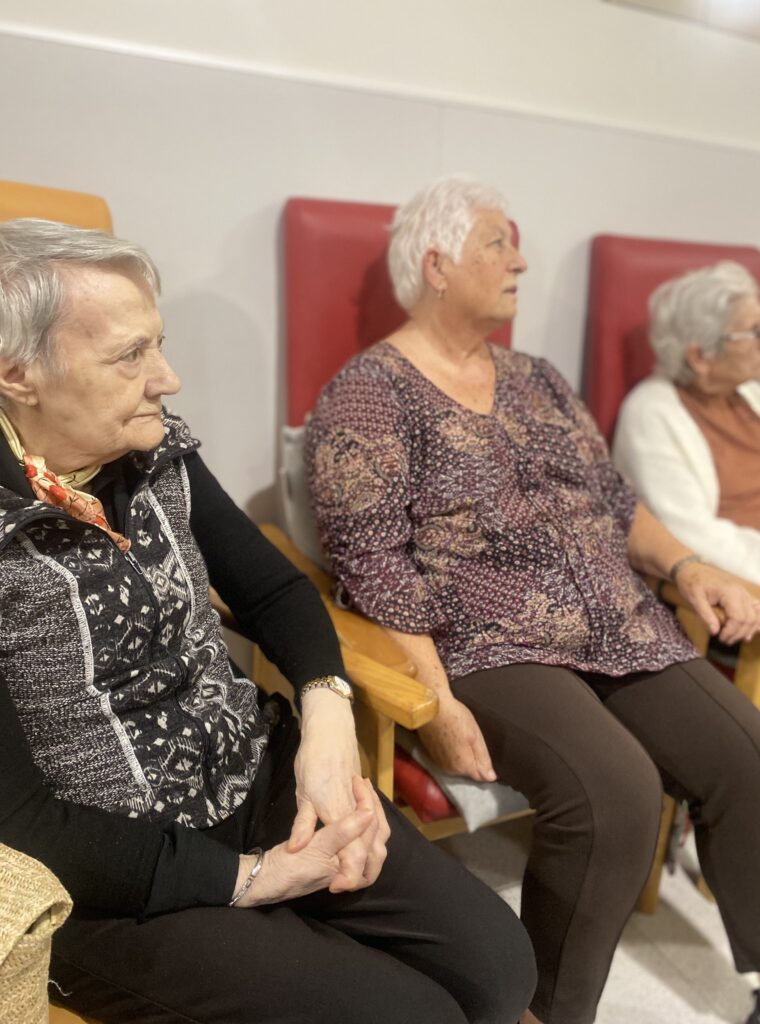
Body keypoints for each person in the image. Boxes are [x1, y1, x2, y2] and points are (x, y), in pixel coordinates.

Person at [0, 218, 536, 1024]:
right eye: (130, 356)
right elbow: (22, 823)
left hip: (252, 770)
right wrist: (252, 880)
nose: (168, 378)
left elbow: (276, 592)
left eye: (158, 344)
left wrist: (328, 724)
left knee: (499, 969)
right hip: (112, 869)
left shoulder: (151, 449)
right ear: (17, 374)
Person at [305, 175, 760, 1024]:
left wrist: (688, 566)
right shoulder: (367, 395)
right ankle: (549, 1013)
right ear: (438, 265)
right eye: (498, 244)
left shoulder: (538, 378)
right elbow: (372, 570)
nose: (520, 261)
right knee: (615, 794)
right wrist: (436, 700)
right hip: (490, 640)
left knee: (748, 755)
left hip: (619, 620)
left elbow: (615, 501)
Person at [613, 260, 760, 586]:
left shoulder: (752, 396)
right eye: (754, 332)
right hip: (747, 590)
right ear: (700, 357)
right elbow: (690, 537)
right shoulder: (652, 415)